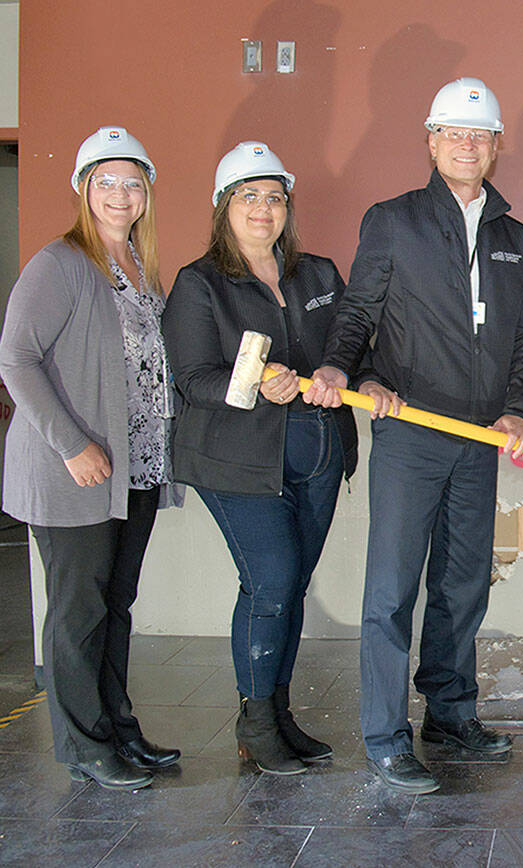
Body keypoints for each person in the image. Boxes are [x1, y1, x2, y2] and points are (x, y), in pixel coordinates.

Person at [306, 77, 523, 794]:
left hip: (479, 438)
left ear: (496, 146)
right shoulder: (395, 220)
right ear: (431, 141)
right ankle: (385, 736)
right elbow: (358, 310)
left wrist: (519, 410)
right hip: (411, 431)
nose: (468, 144)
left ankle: (449, 712)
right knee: (392, 589)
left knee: (465, 582)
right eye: (454, 133)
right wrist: (339, 367)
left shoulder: (516, 238)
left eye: (480, 135)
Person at [162, 142, 358, 775]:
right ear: (223, 207)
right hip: (239, 460)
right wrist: (252, 381)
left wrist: (346, 370)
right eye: (248, 195)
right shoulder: (200, 283)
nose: (263, 208)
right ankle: (253, 722)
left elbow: (355, 345)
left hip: (318, 453)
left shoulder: (319, 274)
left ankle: (278, 713)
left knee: (292, 586)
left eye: (274, 197)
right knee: (270, 583)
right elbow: (192, 377)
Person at [0, 126, 181, 789]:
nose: (120, 193)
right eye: (105, 180)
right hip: (71, 471)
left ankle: (118, 730)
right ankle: (83, 744)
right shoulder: (59, 263)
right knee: (79, 612)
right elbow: (14, 358)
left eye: (132, 182)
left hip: (133, 469)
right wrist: (72, 443)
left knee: (116, 604)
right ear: (83, 188)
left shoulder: (136, 264)